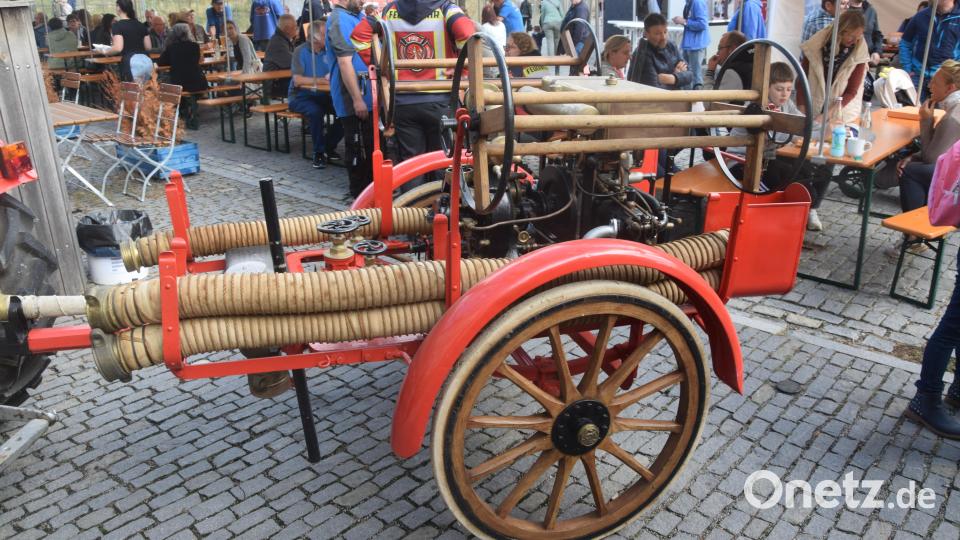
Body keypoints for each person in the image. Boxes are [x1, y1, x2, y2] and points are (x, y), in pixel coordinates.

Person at [352, 0, 474, 191]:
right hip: (440, 100)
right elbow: (468, 35)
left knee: (411, 162)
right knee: (442, 159)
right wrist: (462, 67)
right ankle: (443, 210)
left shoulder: (389, 10)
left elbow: (359, 37)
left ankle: (412, 215)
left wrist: (381, 68)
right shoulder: (446, 9)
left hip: (402, 100)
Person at [799, 9, 869, 231]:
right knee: (803, 158)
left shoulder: (859, 54)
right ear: (840, 31)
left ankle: (813, 207)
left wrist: (827, 114)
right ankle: (801, 202)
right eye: (851, 36)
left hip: (839, 112)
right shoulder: (816, 46)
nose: (854, 41)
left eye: (858, 37)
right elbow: (802, 78)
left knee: (826, 159)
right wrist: (802, 106)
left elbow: (852, 91)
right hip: (812, 103)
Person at [890, 61, 960, 255]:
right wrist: (913, 156)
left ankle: (913, 236)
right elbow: (939, 151)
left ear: (950, 88)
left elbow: (932, 158)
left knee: (910, 172)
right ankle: (917, 233)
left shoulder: (954, 115)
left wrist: (926, 120)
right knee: (914, 167)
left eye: (934, 83)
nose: (929, 86)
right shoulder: (954, 107)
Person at [328, 0, 374, 195]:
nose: (363, 1)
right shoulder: (339, 19)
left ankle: (372, 189)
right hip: (351, 94)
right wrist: (357, 98)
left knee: (372, 144)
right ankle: (358, 193)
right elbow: (345, 62)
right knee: (355, 144)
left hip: (368, 92)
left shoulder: (360, 17)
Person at [289, 19, 343, 169]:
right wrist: (321, 80)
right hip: (301, 96)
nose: (329, 36)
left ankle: (328, 146)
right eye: (325, 34)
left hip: (324, 95)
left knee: (346, 110)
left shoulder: (329, 50)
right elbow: (297, 80)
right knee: (315, 112)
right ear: (315, 37)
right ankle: (318, 152)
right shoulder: (300, 51)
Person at [901, 0, 960, 101]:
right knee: (914, 112)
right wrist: (908, 69)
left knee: (942, 113)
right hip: (918, 75)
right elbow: (905, 43)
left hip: (945, 79)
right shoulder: (921, 16)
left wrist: (955, 74)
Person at [157, 23, 208, 129]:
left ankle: (184, 112)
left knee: (165, 82)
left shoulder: (171, 48)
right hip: (199, 82)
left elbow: (161, 63)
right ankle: (189, 110)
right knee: (189, 91)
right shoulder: (195, 46)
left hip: (180, 83)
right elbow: (199, 60)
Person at [627, 13, 692, 90]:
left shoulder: (671, 46)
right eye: (657, 34)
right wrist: (678, 78)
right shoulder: (642, 54)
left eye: (665, 32)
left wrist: (671, 78)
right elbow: (654, 89)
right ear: (646, 34)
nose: (663, 37)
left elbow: (690, 74)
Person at [100, 0, 150, 81]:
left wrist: (105, 51)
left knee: (131, 91)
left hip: (130, 63)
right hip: (146, 61)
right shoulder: (141, 25)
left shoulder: (117, 26)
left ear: (119, 7)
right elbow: (148, 47)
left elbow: (118, 48)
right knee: (146, 91)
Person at [673, 0, 709, 89]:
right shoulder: (690, 2)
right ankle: (688, 97)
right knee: (687, 72)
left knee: (695, 75)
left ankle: (696, 99)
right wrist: (683, 21)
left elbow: (702, 24)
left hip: (696, 45)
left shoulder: (697, 2)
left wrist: (684, 21)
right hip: (689, 44)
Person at [263, 14, 298, 98]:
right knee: (303, 87)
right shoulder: (278, 42)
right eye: (295, 26)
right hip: (274, 85)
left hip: (281, 80)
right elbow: (294, 61)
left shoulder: (281, 39)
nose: (296, 29)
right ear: (287, 29)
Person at [848, 0, 882, 65]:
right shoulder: (842, 8)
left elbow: (877, 34)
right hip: (847, 58)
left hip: (866, 59)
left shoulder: (871, 10)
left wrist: (877, 52)